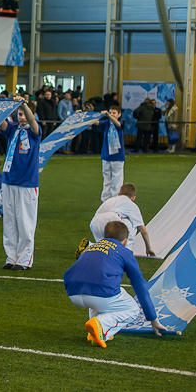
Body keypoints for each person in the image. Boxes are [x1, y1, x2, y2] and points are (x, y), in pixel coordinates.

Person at [64, 220, 165, 348]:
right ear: (125, 241)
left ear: (104, 237)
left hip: (73, 292)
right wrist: (152, 318)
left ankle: (98, 333)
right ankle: (100, 325)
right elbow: (139, 285)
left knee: (110, 290)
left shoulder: (92, 246)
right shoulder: (124, 252)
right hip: (99, 294)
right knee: (132, 309)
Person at [0, 96, 41, 270]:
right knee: (9, 221)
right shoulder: (13, 129)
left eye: (24, 114)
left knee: (25, 222)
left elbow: (32, 122)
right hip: (9, 180)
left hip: (27, 183)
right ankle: (11, 257)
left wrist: (23, 103)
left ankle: (24, 259)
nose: (21, 117)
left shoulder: (34, 131)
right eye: (19, 114)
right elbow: (1, 124)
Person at [81, 183, 156, 257]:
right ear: (133, 198)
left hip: (94, 223)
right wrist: (148, 248)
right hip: (110, 220)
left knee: (103, 247)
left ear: (119, 194)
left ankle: (90, 246)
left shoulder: (111, 200)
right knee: (131, 225)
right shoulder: (132, 205)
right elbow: (143, 230)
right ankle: (126, 252)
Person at [95, 105, 124, 202]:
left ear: (119, 115)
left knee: (117, 180)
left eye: (114, 113)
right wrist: (83, 116)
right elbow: (96, 122)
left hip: (117, 156)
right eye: (111, 112)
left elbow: (118, 125)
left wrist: (108, 115)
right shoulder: (106, 123)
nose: (112, 114)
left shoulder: (119, 123)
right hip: (106, 156)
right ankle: (105, 200)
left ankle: (115, 200)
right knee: (106, 180)